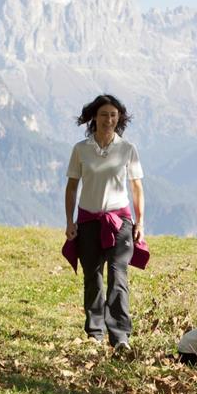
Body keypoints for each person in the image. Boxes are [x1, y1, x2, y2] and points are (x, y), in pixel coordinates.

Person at [63, 94, 146, 352]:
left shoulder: (127, 149)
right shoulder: (81, 149)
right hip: (88, 221)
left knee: (118, 276)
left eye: (113, 115)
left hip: (119, 222)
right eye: (104, 115)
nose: (109, 119)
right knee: (93, 277)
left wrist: (140, 222)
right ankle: (95, 332)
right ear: (94, 118)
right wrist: (69, 221)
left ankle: (120, 336)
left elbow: (137, 188)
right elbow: (71, 187)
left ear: (119, 118)